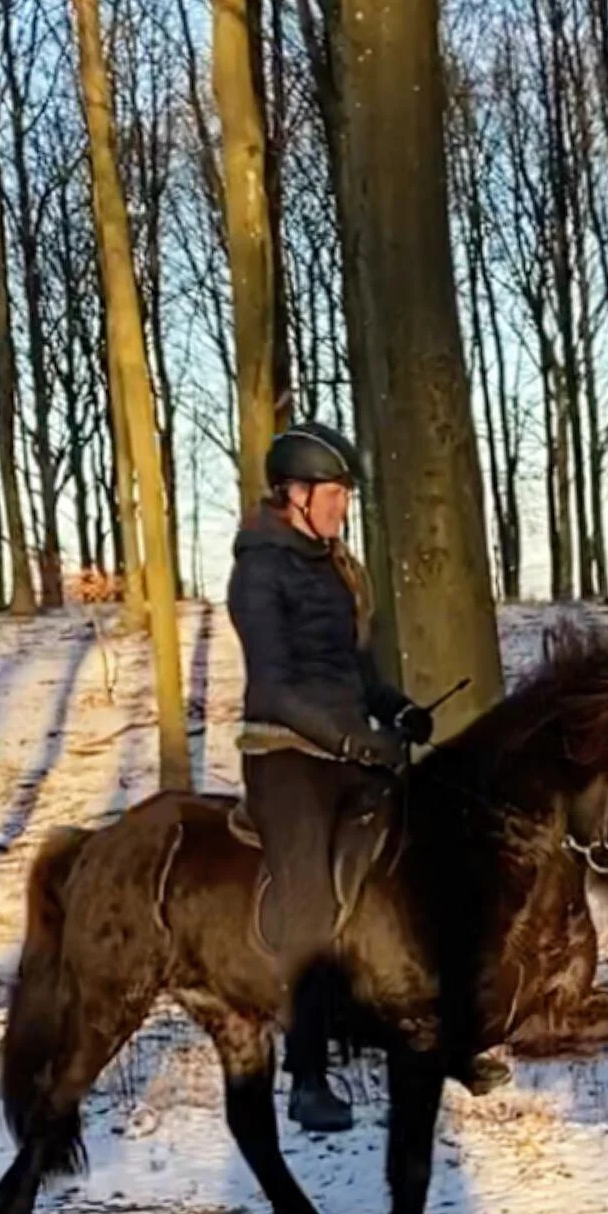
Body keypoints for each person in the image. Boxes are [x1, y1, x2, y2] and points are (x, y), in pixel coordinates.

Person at [227, 423, 433, 1131]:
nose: (344, 505)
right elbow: (277, 686)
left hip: (347, 746)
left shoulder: (338, 566)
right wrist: (354, 740)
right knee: (310, 898)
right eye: (335, 493)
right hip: (283, 753)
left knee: (416, 856)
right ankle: (307, 1074)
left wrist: (396, 710)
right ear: (295, 494)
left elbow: (357, 669)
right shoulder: (257, 569)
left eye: (347, 494)